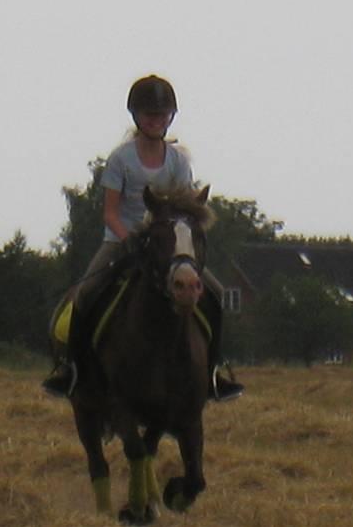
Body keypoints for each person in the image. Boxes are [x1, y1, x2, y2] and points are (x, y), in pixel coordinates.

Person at [42, 74, 244, 402]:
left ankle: (213, 374)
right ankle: (71, 371)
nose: (156, 120)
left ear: (170, 118)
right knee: (84, 296)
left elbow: (184, 209)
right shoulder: (121, 159)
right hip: (121, 241)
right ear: (136, 117)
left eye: (162, 115)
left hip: (167, 246)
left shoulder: (179, 161)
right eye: (150, 114)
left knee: (216, 296)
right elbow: (110, 212)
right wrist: (130, 240)